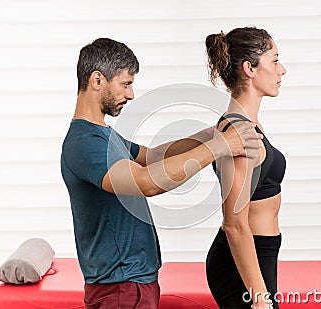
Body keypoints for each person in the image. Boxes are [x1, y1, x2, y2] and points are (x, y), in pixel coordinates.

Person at [60, 38, 263, 309]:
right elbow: (146, 182)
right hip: (120, 288)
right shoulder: (85, 143)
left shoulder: (105, 136)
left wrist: (211, 134)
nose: (131, 95)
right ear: (97, 80)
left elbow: (154, 156)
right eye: (126, 84)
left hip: (133, 283)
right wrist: (220, 146)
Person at [205, 27, 287, 309]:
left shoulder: (246, 125)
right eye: (275, 61)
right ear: (249, 68)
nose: (282, 70)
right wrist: (260, 298)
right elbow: (233, 223)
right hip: (238, 264)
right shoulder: (241, 134)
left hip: (260, 252)